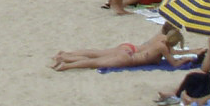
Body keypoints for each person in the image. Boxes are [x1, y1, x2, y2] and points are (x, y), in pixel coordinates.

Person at [50, 24, 196, 71]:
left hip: (129, 47)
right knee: (94, 63)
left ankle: (66, 55)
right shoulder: (163, 48)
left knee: (96, 53)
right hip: (129, 58)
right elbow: (174, 62)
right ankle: (66, 65)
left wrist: (193, 51)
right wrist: (185, 59)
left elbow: (173, 51)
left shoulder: (159, 38)